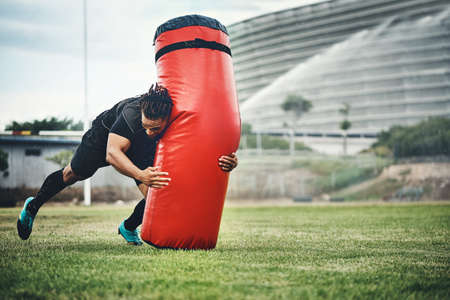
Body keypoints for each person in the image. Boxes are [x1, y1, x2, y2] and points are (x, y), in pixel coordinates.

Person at [17, 83, 238, 245]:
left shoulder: (176, 118)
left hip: (142, 147)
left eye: (156, 128)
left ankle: (128, 227)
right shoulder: (132, 114)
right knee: (71, 174)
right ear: (141, 114)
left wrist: (228, 158)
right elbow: (113, 153)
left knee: (156, 195)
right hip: (104, 137)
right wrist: (141, 174)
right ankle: (33, 206)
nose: (151, 131)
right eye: (147, 126)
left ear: (166, 119)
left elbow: (200, 143)